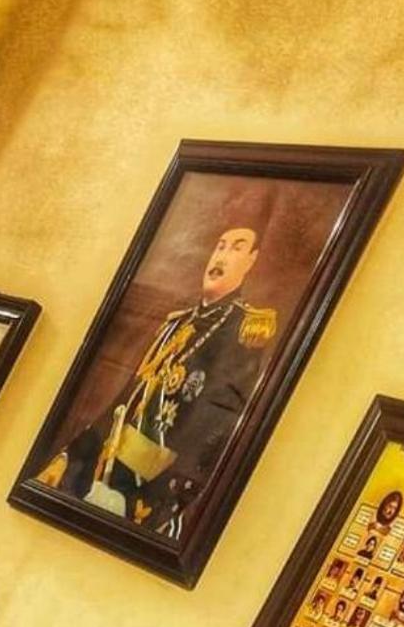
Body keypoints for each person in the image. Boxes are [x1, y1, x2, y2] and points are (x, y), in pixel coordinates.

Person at [36, 223, 277, 530]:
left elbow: (213, 426)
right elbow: (127, 399)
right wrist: (70, 455)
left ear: (251, 260)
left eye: (236, 248)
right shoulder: (176, 325)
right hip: (109, 469)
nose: (222, 255)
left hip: (154, 490)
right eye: (220, 246)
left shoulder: (246, 329)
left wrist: (150, 485)